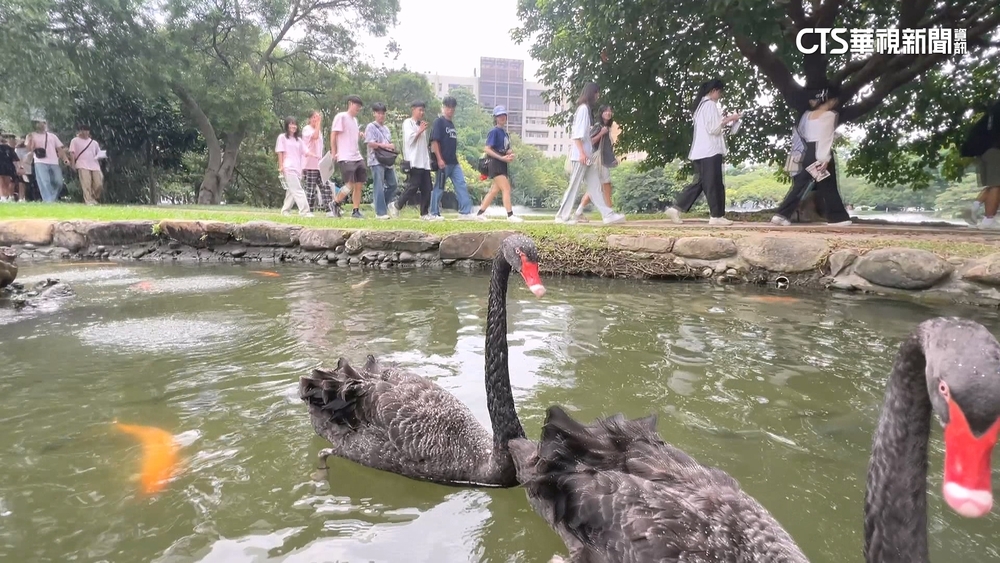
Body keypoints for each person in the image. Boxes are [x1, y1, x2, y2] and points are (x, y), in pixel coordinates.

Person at [770, 86, 852, 226]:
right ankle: (837, 218)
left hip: (809, 152)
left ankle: (782, 214)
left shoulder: (807, 116)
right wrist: (824, 159)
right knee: (828, 186)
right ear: (830, 100)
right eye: (834, 100)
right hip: (820, 152)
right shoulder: (830, 116)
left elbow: (805, 133)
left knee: (804, 185)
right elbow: (825, 138)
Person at [664, 79, 741, 226]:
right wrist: (729, 119)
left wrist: (726, 121)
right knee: (714, 184)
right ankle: (716, 216)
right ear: (714, 91)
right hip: (709, 151)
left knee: (702, 183)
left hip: (703, 151)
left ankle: (677, 208)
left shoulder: (701, 106)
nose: (720, 95)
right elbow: (714, 129)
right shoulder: (710, 105)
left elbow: (712, 127)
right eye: (720, 92)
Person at [553, 83, 625, 224]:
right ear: (592, 93)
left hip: (587, 155)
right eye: (597, 93)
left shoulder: (585, 109)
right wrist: (582, 154)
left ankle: (608, 215)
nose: (598, 96)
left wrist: (586, 154)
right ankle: (561, 216)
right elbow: (577, 135)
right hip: (581, 156)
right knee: (574, 185)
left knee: (595, 186)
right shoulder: (583, 109)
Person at [473, 106, 522, 222]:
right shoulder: (494, 132)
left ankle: (480, 213)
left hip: (502, 164)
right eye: (499, 116)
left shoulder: (505, 133)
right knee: (506, 188)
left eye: (504, 115)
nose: (502, 117)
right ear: (495, 118)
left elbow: (506, 149)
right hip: (495, 164)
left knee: (494, 190)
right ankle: (510, 215)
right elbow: (487, 149)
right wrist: (502, 158)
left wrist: (510, 154)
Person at [430, 96, 474, 219]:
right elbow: (434, 142)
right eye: (448, 107)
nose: (450, 110)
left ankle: (465, 212)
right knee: (439, 187)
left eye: (452, 108)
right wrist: (439, 159)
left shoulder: (451, 124)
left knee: (461, 184)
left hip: (454, 162)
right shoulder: (439, 122)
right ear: (443, 108)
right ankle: (434, 213)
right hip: (443, 162)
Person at [388, 101, 433, 219]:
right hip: (414, 161)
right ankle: (397, 205)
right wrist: (420, 130)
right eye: (419, 110)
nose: (422, 112)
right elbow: (410, 140)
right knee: (413, 186)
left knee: (427, 187)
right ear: (413, 109)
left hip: (424, 161)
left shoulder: (421, 125)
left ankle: (424, 213)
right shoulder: (408, 122)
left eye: (423, 110)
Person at [960, 101, 1000, 229]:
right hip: (996, 151)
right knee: (996, 185)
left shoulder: (992, 112)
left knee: (992, 184)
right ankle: (988, 220)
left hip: (983, 152)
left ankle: (974, 208)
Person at [574, 104, 617, 222]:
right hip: (597, 161)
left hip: (602, 160)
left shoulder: (606, 127)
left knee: (597, 187)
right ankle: (609, 213)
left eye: (610, 111)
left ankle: (579, 211)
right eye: (606, 111)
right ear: (601, 113)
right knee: (605, 185)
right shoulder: (599, 126)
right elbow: (590, 142)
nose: (608, 113)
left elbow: (606, 147)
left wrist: (612, 158)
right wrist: (601, 133)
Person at [328, 96, 366, 218]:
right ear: (350, 104)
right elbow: (334, 134)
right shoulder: (341, 117)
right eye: (356, 106)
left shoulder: (355, 121)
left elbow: (351, 134)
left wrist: (359, 134)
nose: (358, 109)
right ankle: (335, 202)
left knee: (359, 183)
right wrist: (334, 152)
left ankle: (355, 210)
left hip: (357, 155)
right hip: (345, 156)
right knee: (350, 184)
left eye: (360, 107)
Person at [364, 102, 399, 219]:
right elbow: (370, 143)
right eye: (379, 113)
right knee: (378, 185)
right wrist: (386, 146)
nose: (381, 116)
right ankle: (380, 212)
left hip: (387, 160)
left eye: (383, 113)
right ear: (374, 114)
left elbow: (388, 144)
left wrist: (390, 146)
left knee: (393, 184)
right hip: (376, 160)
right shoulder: (371, 127)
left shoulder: (386, 129)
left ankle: (380, 204)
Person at [275, 117, 313, 217]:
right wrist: (281, 166)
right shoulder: (282, 137)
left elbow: (306, 152)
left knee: (291, 191)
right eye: (291, 124)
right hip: (288, 167)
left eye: (295, 124)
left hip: (298, 169)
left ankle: (285, 211)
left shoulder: (298, 140)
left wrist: (316, 155)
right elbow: (280, 152)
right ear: (287, 125)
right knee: (298, 190)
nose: (293, 126)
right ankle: (305, 212)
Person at [25, 119, 70, 202]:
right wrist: (30, 140)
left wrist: (65, 159)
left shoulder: (52, 136)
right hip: (40, 161)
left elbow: (59, 148)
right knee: (45, 182)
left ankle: (52, 198)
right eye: (39, 123)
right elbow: (29, 150)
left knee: (59, 182)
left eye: (44, 123)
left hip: (54, 161)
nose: (42, 125)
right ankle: (49, 201)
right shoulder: (31, 135)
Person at [301, 111, 335, 216]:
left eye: (318, 117)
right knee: (310, 188)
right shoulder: (307, 129)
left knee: (325, 186)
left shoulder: (319, 131)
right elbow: (314, 137)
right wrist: (318, 124)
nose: (317, 119)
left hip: (319, 164)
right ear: (310, 119)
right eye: (315, 117)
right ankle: (308, 210)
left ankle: (329, 209)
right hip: (310, 164)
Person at [69, 125, 104, 205]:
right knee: (86, 183)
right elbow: (72, 153)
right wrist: (73, 164)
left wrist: (101, 155)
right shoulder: (75, 141)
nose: (85, 132)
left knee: (99, 183)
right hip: (82, 164)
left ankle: (93, 197)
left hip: (94, 165)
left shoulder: (94, 143)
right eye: (83, 130)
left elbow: (98, 153)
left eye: (87, 130)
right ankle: (88, 200)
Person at [0, 134, 18, 202]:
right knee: (1, 182)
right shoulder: (8, 148)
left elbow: (15, 158)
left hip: (7, 166)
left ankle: (6, 196)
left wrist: (18, 167)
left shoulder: (8, 148)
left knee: (7, 182)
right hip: (5, 166)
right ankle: (3, 197)